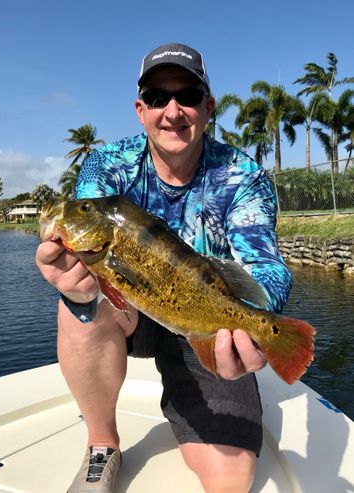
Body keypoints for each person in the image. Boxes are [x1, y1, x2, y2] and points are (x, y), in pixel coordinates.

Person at [36, 42, 292, 493]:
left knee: (231, 479)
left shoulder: (243, 175)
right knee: (79, 305)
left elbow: (266, 265)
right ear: (140, 109)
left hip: (204, 323)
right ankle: (102, 445)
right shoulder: (108, 165)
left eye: (188, 96)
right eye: (157, 97)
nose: (173, 111)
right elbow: (86, 244)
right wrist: (75, 284)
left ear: (208, 107)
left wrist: (255, 322)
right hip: (132, 309)